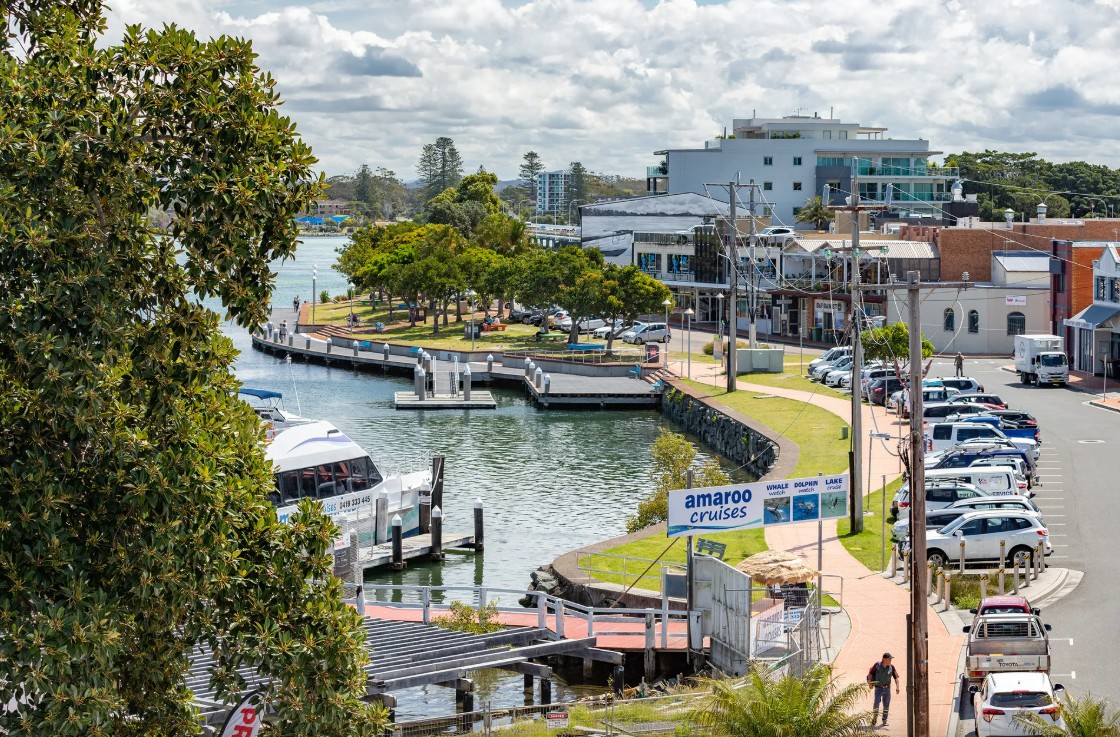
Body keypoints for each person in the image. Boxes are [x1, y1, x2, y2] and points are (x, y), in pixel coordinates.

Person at [866, 653, 900, 727]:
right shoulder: (877, 665)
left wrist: (897, 686)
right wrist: (870, 682)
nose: (891, 660)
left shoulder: (891, 667)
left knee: (886, 705)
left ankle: (884, 720)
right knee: (876, 704)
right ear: (884, 659)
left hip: (887, 689)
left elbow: (896, 677)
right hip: (878, 688)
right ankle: (874, 719)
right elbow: (870, 673)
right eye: (889, 659)